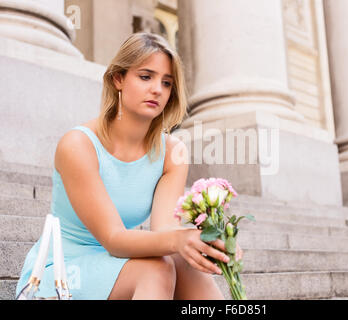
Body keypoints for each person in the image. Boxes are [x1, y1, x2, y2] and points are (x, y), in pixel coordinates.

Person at [15, 32, 243, 300]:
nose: (157, 89)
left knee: (183, 259)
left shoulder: (173, 152)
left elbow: (164, 232)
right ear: (118, 78)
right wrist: (181, 240)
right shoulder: (78, 145)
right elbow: (113, 238)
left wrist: (207, 241)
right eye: (146, 77)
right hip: (63, 273)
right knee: (157, 269)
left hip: (121, 265)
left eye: (167, 83)